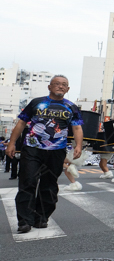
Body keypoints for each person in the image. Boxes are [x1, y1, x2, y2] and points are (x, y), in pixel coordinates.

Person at [5, 75, 83, 233]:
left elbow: (77, 128)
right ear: (49, 87)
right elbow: (21, 123)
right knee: (27, 182)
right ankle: (24, 221)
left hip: (56, 152)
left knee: (49, 185)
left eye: (64, 85)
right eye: (57, 84)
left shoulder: (71, 107)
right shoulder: (36, 103)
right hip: (32, 149)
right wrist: (12, 143)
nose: (60, 87)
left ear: (68, 89)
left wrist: (78, 145)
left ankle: (41, 217)